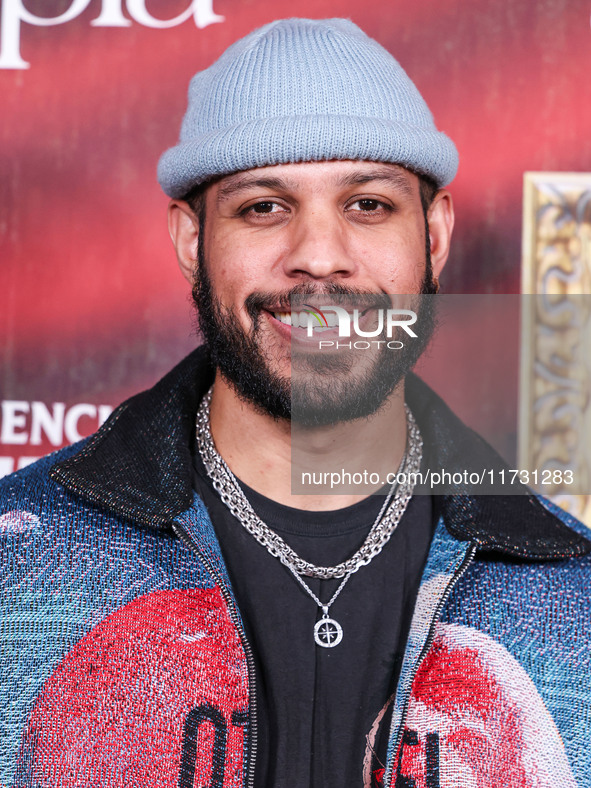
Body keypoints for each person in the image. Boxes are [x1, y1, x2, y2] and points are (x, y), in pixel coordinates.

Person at [1, 17, 590, 788]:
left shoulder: (569, 592)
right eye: (264, 207)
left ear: (434, 235)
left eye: (368, 205)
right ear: (190, 241)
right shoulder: (19, 565)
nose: (318, 255)